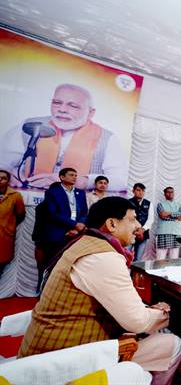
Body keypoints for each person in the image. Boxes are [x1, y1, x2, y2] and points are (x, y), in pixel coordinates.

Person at [18, 197, 181, 385]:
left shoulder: (84, 243)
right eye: (132, 219)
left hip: (44, 354)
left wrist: (148, 312)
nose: (138, 226)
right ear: (112, 224)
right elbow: (138, 322)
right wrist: (169, 315)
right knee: (172, 344)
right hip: (60, 367)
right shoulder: (103, 256)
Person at [0, 84, 128, 191]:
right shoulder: (30, 126)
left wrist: (80, 182)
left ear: (90, 113)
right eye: (57, 103)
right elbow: (3, 162)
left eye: (73, 106)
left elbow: (121, 181)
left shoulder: (107, 138)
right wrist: (7, 173)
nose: (62, 109)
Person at [34, 167, 87, 290]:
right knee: (50, 264)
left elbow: (84, 213)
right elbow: (53, 214)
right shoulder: (53, 192)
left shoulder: (80, 193)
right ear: (62, 177)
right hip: (57, 234)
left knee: (69, 265)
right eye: (71, 175)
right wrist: (73, 225)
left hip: (76, 234)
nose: (75, 177)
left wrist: (78, 227)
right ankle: (44, 291)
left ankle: (61, 292)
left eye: (76, 175)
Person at [0, 170, 26, 278]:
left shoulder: (15, 195)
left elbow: (20, 214)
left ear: (8, 181)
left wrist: (8, 225)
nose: (0, 180)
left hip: (4, 237)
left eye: (3, 178)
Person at [155, 187, 181, 260]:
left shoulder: (179, 205)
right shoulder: (160, 204)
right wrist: (175, 216)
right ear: (164, 194)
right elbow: (162, 215)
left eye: (172, 192)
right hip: (163, 232)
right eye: (168, 192)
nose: (170, 193)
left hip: (176, 233)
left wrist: (168, 214)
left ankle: (172, 269)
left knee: (174, 258)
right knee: (160, 258)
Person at [129, 183, 151, 261]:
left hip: (143, 234)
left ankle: (135, 270)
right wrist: (136, 231)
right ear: (133, 191)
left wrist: (142, 230)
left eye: (143, 190)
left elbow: (150, 219)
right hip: (130, 233)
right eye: (138, 190)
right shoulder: (127, 202)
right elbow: (126, 219)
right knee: (126, 257)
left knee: (138, 259)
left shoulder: (148, 203)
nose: (141, 192)